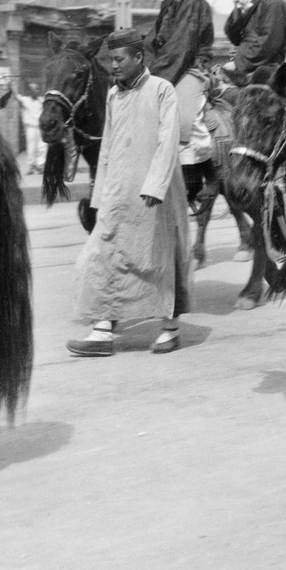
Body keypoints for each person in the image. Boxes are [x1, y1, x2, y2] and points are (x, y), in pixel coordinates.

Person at [67, 28, 192, 357]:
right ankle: (102, 329)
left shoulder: (162, 90)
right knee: (100, 254)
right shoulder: (112, 95)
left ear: (139, 58)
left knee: (158, 260)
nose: (114, 66)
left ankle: (169, 328)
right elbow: (107, 146)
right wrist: (100, 197)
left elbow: (168, 141)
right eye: (110, 60)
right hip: (118, 193)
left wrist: (155, 185)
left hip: (156, 194)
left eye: (119, 60)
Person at [146, 0, 219, 198]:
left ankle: (206, 177)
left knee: (183, 114)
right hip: (175, 62)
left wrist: (154, 80)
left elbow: (182, 45)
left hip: (191, 65)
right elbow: (158, 42)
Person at [221, 0, 286, 82]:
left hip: (266, 75)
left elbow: (268, 43)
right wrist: (237, 10)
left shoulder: (273, 3)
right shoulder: (254, 2)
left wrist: (239, 64)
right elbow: (235, 38)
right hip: (250, 68)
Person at [16, 81, 46, 174]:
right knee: (31, 147)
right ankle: (31, 166)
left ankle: (41, 166)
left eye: (37, 89)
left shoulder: (42, 100)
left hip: (41, 127)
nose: (35, 91)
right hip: (30, 128)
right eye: (33, 89)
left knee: (42, 146)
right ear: (30, 91)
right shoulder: (25, 100)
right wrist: (10, 85)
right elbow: (16, 96)